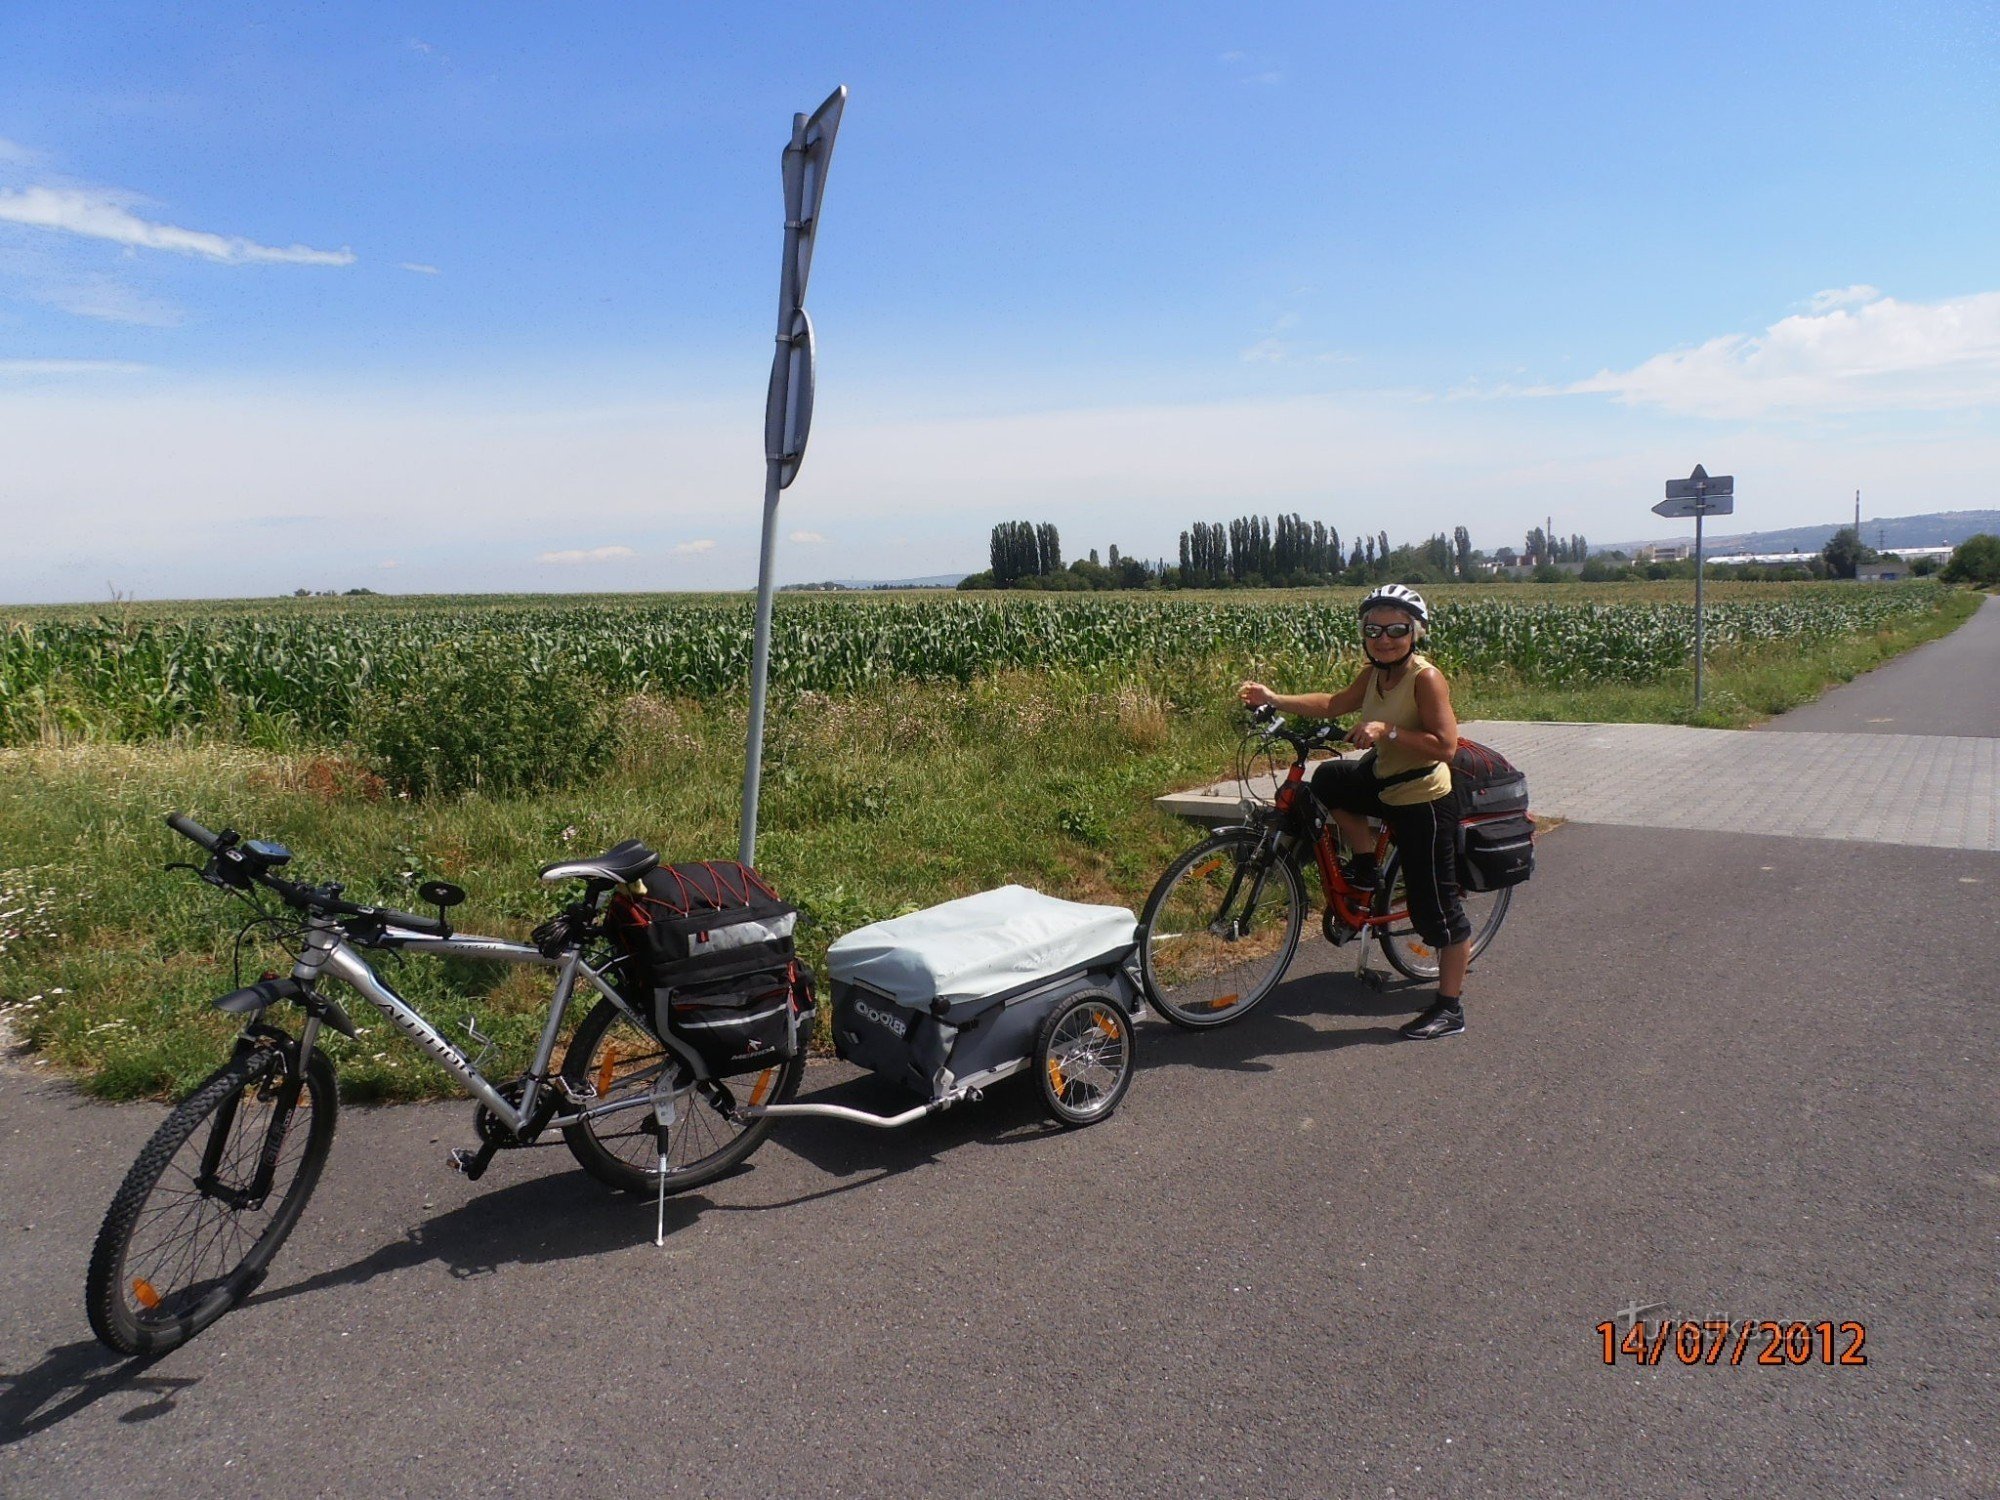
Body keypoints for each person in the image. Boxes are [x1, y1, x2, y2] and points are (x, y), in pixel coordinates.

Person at [1237, 584, 1472, 1040]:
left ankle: (1450, 1007)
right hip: (1386, 781)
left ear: (1415, 633)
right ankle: (1367, 867)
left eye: (1397, 629)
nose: (1384, 639)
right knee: (1328, 781)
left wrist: (1387, 731)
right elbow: (1332, 703)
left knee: (1436, 912)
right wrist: (1274, 697)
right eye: (1374, 630)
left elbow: (1446, 746)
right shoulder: (1374, 674)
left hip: (1423, 799)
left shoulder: (1425, 678)